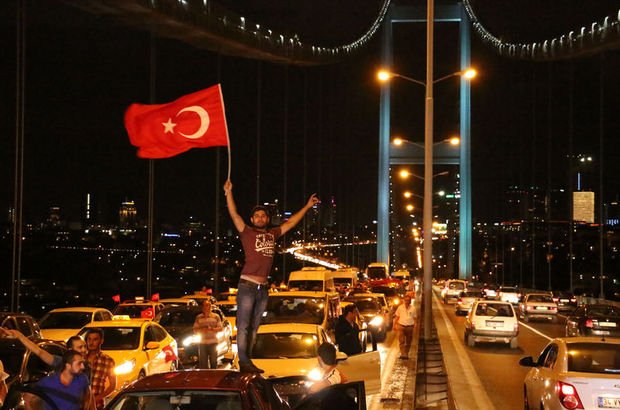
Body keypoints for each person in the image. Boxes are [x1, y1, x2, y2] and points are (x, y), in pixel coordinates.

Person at [223, 179, 319, 373]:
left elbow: (291, 222)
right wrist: (228, 193)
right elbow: (234, 214)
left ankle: (247, 360)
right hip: (247, 285)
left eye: (263, 216)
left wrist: (307, 206)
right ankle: (243, 362)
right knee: (243, 326)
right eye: (256, 216)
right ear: (252, 220)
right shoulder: (247, 232)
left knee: (255, 327)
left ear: (267, 219)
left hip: (263, 289)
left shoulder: (273, 234)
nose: (260, 218)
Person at [0, 328, 89, 376]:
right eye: (80, 347)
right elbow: (39, 352)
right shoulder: (60, 363)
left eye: (85, 346)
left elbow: (88, 395)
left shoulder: (87, 367)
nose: (84, 350)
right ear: (70, 350)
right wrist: (20, 336)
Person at [84, 328, 116, 409]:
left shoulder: (108, 360)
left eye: (95, 339)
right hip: (79, 404)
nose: (91, 343)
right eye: (89, 339)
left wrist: (96, 399)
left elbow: (112, 386)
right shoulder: (81, 358)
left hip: (97, 405)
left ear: (101, 341)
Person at [193, 300, 223, 369]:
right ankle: (205, 377)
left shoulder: (216, 316)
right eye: (204, 305)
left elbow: (220, 328)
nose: (206, 307)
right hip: (202, 343)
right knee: (203, 363)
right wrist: (202, 330)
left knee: (213, 362)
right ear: (202, 307)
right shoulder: (199, 317)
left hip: (213, 342)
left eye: (208, 305)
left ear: (210, 307)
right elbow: (195, 329)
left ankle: (213, 376)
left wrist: (212, 329)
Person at [393, 294, 416, 359]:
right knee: (401, 341)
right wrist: (394, 325)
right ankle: (403, 354)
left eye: (408, 300)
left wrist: (415, 326)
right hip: (401, 326)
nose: (407, 302)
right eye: (406, 300)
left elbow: (415, 318)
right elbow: (397, 317)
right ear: (404, 301)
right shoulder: (400, 307)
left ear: (410, 301)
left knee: (408, 341)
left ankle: (406, 353)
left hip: (410, 327)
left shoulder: (413, 308)